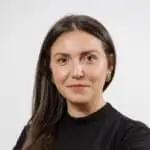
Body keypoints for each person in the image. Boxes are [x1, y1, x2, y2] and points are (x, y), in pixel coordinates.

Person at [13, 14, 150, 150]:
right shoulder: (32, 135)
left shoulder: (134, 137)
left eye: (89, 58)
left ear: (109, 65)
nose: (77, 72)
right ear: (50, 71)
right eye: (63, 60)